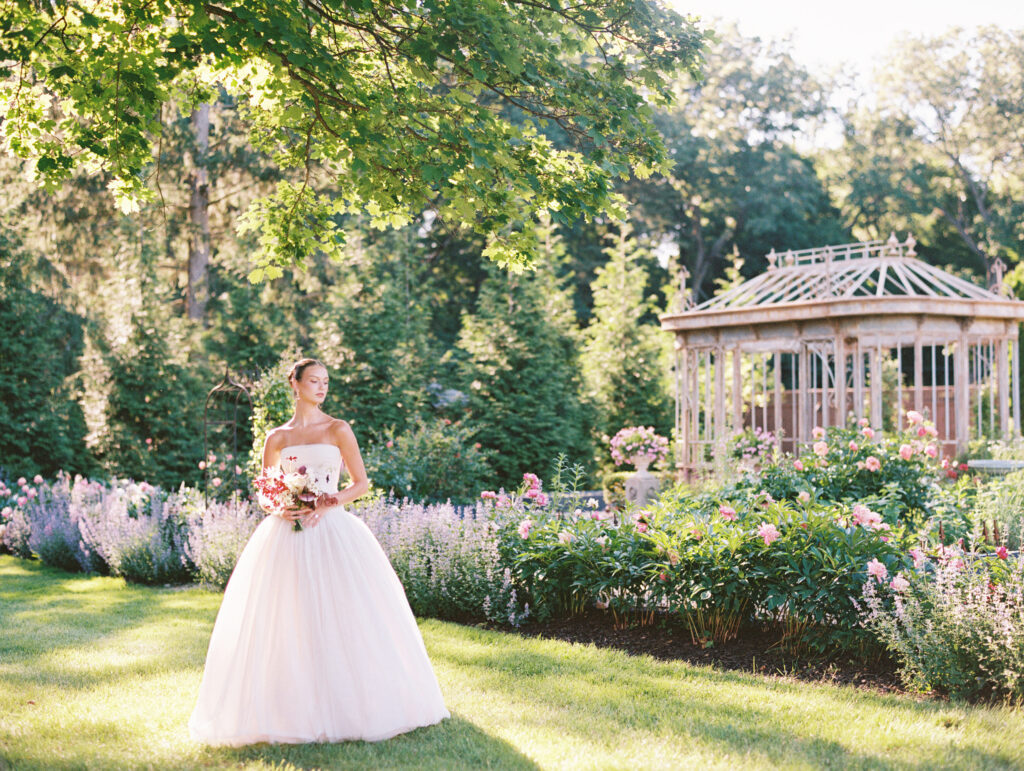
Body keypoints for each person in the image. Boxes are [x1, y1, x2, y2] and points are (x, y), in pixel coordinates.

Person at [189, 358, 450, 745]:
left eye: (326, 381)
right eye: (314, 380)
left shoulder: (337, 429)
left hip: (333, 531)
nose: (322, 387)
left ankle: (356, 702)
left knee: (344, 612)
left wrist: (329, 501)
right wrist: (282, 507)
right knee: (286, 616)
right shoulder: (277, 438)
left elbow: (360, 484)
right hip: (285, 534)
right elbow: (265, 492)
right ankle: (288, 705)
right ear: (295, 384)